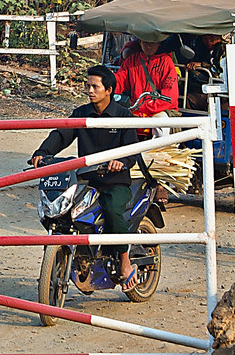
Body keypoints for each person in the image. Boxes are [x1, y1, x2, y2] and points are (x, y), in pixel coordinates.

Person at [30, 65, 148, 291]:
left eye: (95, 86)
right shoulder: (81, 113)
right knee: (61, 212)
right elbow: (61, 134)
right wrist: (43, 153)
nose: (90, 91)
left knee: (112, 210)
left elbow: (133, 149)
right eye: (88, 86)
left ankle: (125, 263)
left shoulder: (123, 116)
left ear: (109, 90)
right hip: (86, 179)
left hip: (115, 182)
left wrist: (121, 162)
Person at [113, 37, 178, 119]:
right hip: (136, 109)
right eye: (145, 42)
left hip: (160, 110)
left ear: (158, 43)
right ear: (140, 42)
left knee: (160, 125)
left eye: (152, 43)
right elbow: (120, 81)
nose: (149, 46)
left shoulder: (166, 62)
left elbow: (169, 98)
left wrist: (144, 108)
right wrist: (104, 81)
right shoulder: (132, 60)